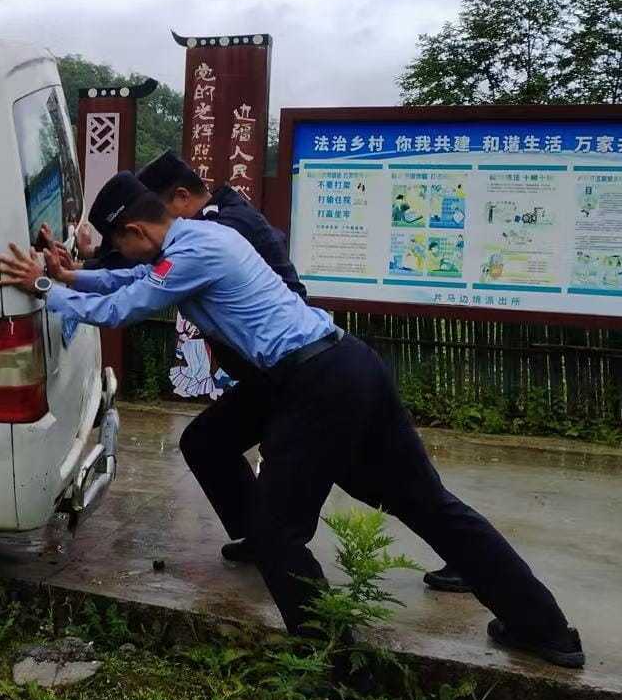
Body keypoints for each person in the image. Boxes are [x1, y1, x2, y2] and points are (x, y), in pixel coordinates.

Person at [0, 170, 585, 669]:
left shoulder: (194, 251)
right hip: (348, 365)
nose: (116, 253)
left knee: (278, 533)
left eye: (117, 242)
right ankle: (546, 629)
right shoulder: (197, 237)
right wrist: (72, 277)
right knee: (426, 503)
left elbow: (124, 306)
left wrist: (44, 286)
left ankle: (332, 665)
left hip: (316, 384)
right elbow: (126, 279)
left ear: (137, 231)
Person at [130, 152, 468, 595]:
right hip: (274, 373)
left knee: (387, 483)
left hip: (305, 372)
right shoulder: (223, 218)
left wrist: (77, 273)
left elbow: (150, 276)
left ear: (178, 197)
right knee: (208, 442)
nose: (155, 230)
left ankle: (467, 561)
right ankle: (260, 534)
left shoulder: (219, 229)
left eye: (154, 215)